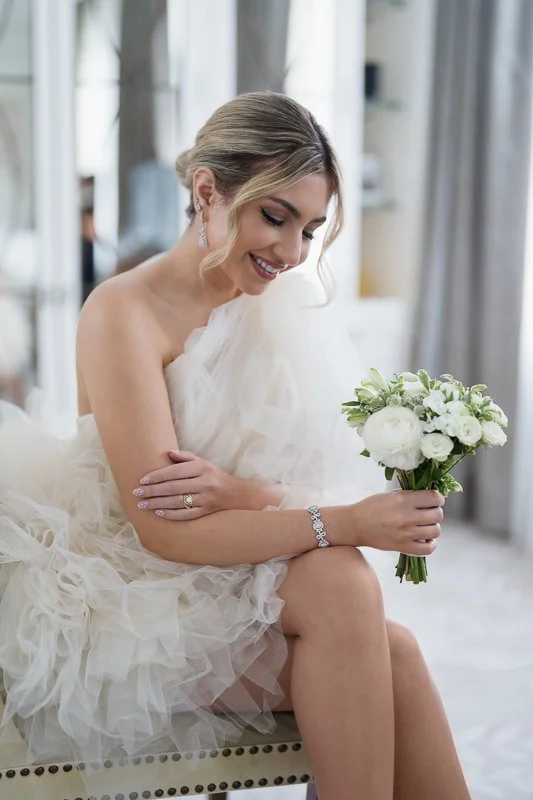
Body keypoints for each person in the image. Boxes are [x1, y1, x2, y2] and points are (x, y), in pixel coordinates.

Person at [0, 92, 471, 800]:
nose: (292, 252)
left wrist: (244, 493)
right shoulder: (123, 312)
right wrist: (348, 522)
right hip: (131, 590)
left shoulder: (274, 304)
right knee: (369, 621)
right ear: (207, 191)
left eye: (309, 229)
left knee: (363, 611)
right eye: (275, 218)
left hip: (234, 571)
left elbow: (303, 484)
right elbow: (163, 532)